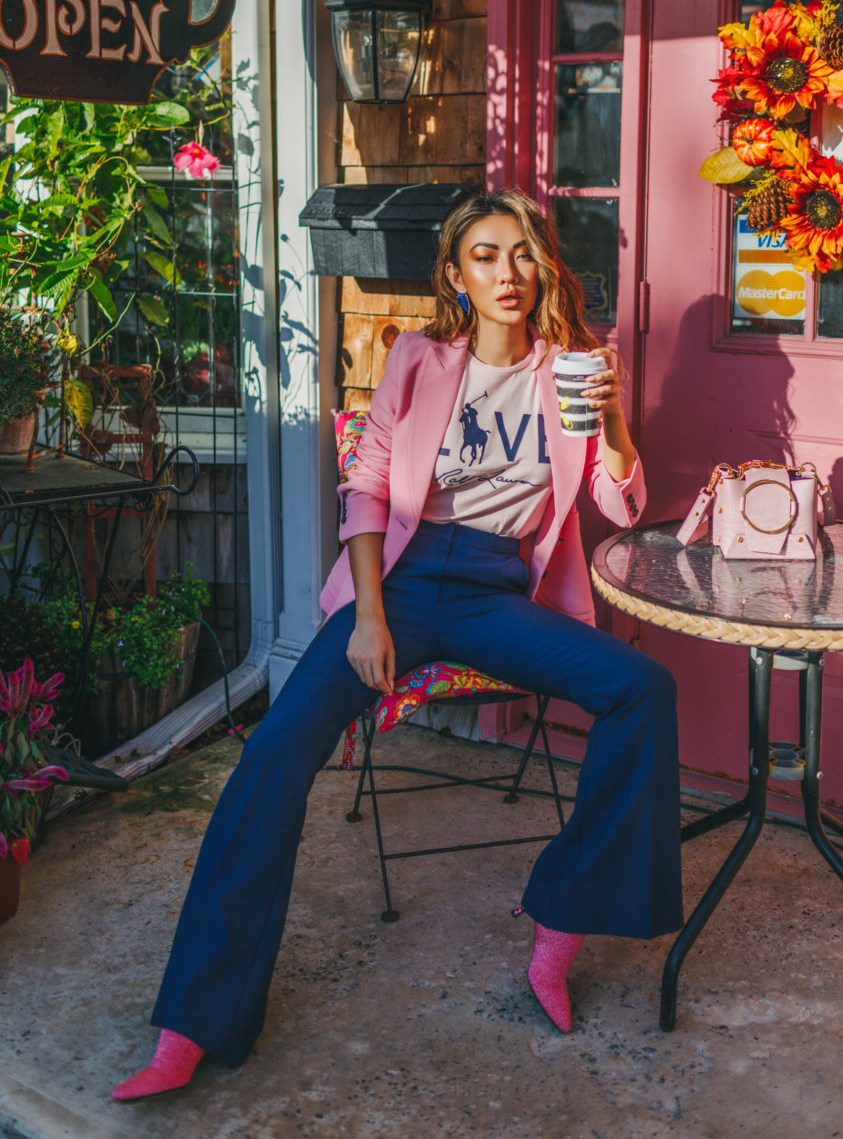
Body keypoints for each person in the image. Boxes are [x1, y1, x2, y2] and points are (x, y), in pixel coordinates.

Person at [111, 188, 683, 1102]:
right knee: (273, 751)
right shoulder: (419, 359)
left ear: (541, 270)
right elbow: (369, 485)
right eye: (486, 257)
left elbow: (621, 507)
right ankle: (192, 1023)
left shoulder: (571, 369)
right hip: (404, 586)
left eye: (522, 255)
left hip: (500, 590)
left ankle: (559, 927)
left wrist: (613, 420)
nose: (509, 273)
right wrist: (369, 616)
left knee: (643, 690)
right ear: (456, 275)